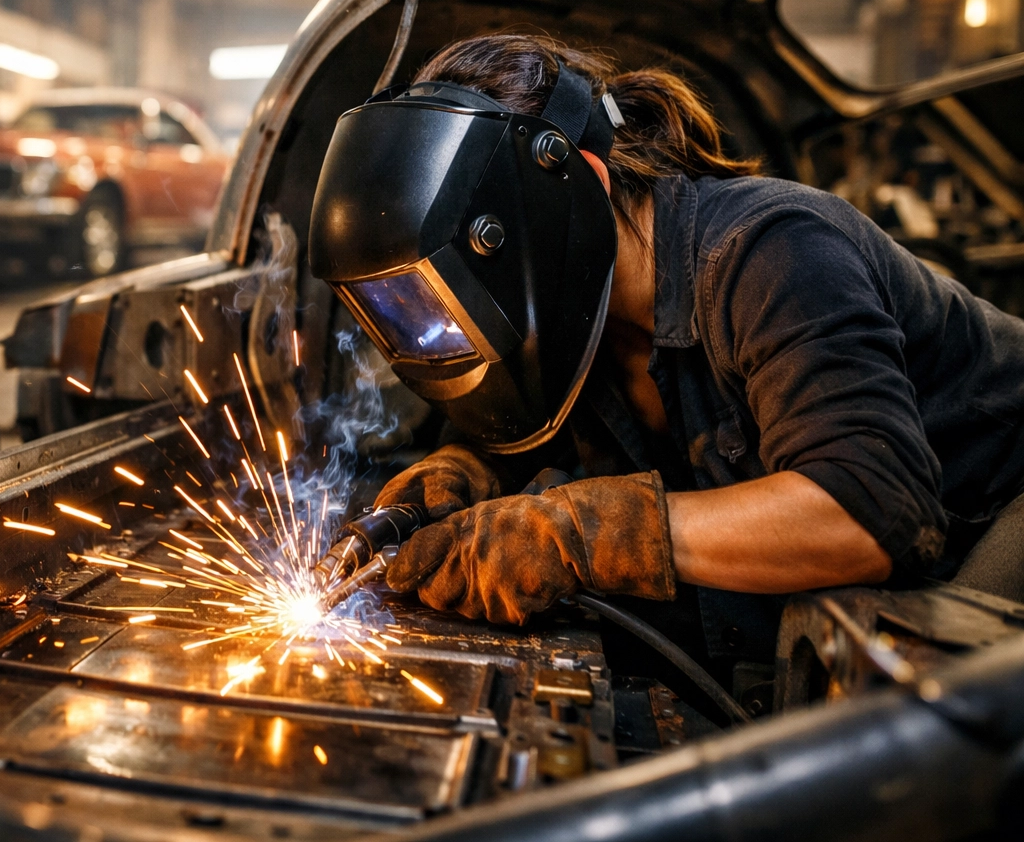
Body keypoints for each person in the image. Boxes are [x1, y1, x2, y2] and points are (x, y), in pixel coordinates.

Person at [307, 33, 1024, 673]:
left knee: (946, 715)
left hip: (995, 518)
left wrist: (579, 533)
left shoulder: (773, 250)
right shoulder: (575, 318)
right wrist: (470, 465)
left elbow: (867, 513)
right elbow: (545, 436)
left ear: (570, 181)